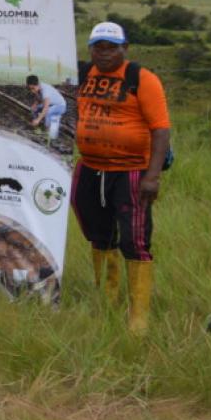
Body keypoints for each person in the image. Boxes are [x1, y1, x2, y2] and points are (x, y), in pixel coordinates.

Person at [72, 21, 171, 334]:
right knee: (98, 235)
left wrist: (152, 177)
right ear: (90, 49)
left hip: (130, 171)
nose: (104, 53)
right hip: (90, 168)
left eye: (111, 47)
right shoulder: (83, 74)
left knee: (135, 239)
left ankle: (137, 318)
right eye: (98, 47)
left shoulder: (142, 79)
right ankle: (108, 301)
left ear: (124, 48)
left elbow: (161, 130)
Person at [27, 74, 67, 140]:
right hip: (51, 104)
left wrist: (38, 119)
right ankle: (38, 127)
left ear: (37, 84)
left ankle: (48, 133)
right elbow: (38, 97)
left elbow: (46, 108)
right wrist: (35, 105)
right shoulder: (38, 88)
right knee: (34, 109)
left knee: (48, 112)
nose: (32, 91)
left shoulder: (46, 91)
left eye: (33, 88)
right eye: (30, 88)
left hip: (60, 106)